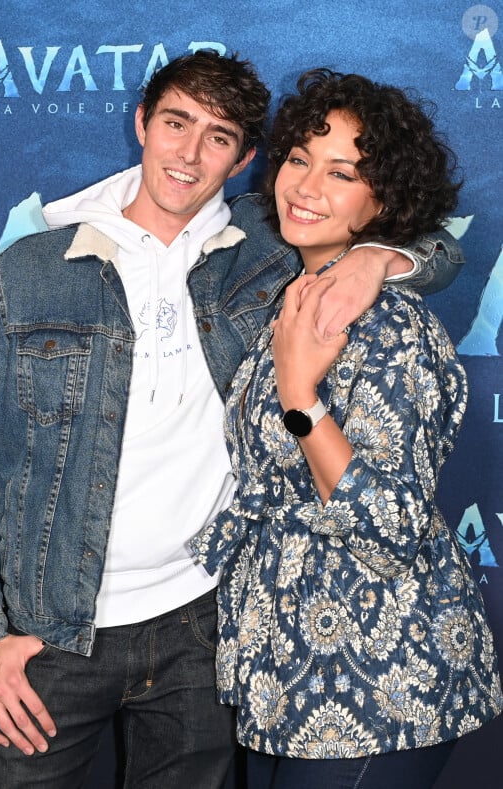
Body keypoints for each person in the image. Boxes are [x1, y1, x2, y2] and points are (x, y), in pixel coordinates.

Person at [0, 52, 463, 789]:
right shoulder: (31, 268)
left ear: (244, 160)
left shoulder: (264, 248)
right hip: (52, 632)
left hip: (204, 627)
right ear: (142, 122)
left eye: (218, 137)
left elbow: (430, 238)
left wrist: (379, 259)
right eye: (176, 123)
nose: (188, 153)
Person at [191, 69, 503, 789]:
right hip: (287, 676)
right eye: (299, 158)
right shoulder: (285, 295)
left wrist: (302, 396)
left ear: (383, 200)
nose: (307, 186)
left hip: (378, 678)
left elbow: (393, 525)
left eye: (343, 172)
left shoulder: (392, 325)